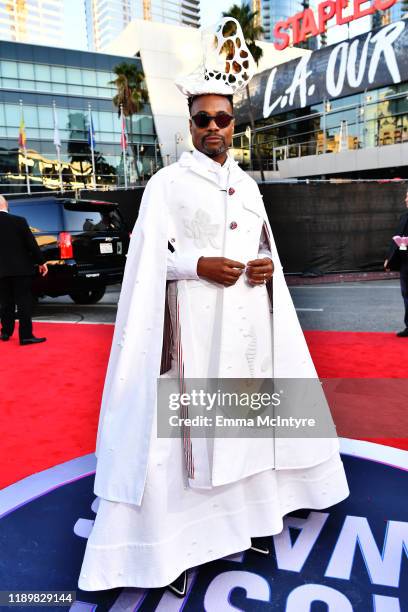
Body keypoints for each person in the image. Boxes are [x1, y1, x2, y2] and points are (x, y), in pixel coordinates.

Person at [78, 17, 349, 598]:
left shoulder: (248, 186)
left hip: (245, 331)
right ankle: (169, 549)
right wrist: (195, 266)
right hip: (191, 336)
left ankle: (247, 524)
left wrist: (266, 266)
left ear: (234, 122)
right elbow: (148, 262)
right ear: (191, 125)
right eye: (203, 119)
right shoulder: (165, 186)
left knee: (246, 431)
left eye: (223, 118)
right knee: (178, 442)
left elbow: (262, 248)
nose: (214, 128)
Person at [0, 195, 48, 345]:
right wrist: (41, 262)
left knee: (5, 302)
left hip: (1, 271)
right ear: (6, 205)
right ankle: (26, 336)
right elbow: (31, 244)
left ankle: (6, 332)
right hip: (21, 270)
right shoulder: (19, 221)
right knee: (23, 302)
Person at [384, 188, 408, 337]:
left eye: (407, 196)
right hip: (406, 264)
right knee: (406, 295)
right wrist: (389, 259)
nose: (405, 199)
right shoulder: (404, 217)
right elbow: (397, 240)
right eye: (406, 196)